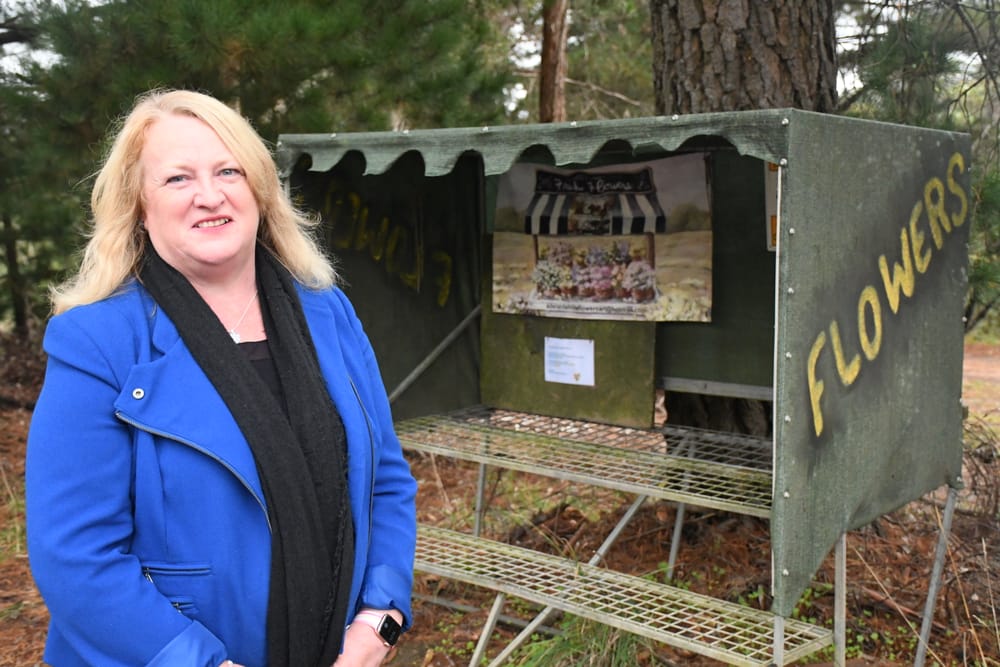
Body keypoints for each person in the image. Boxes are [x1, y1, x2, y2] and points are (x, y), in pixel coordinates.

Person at [25, 88, 418, 667]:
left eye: (227, 170)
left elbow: (386, 479)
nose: (209, 196)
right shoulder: (97, 342)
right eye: (177, 179)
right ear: (138, 204)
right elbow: (76, 557)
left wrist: (378, 618)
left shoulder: (327, 312)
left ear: (259, 187)